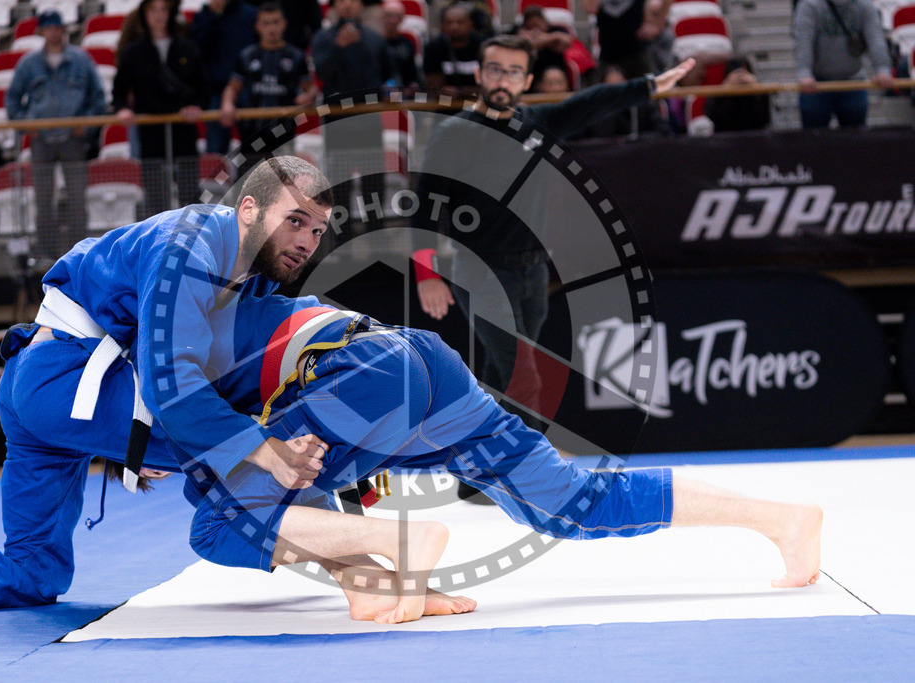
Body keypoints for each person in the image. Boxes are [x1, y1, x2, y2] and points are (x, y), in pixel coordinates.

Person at [169, 293, 825, 623]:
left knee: (219, 517)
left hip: (370, 376)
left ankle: (395, 550)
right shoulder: (220, 318)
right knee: (572, 504)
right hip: (422, 363)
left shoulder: (171, 363)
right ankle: (781, 519)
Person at [0, 156, 336, 613]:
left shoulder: (250, 274)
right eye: (294, 221)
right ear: (249, 209)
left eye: (318, 231)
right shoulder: (192, 243)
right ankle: (372, 566)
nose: (306, 242)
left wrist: (136, 440)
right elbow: (174, 382)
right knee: (269, 455)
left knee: (30, 573)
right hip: (66, 378)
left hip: (40, 388)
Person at [412, 35, 690, 501]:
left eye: (514, 72)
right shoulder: (453, 134)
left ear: (527, 79)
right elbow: (423, 210)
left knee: (504, 375)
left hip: (532, 271)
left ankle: (472, 476)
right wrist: (427, 275)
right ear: (480, 74)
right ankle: (531, 477)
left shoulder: (536, 122)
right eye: (495, 70)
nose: (504, 80)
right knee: (526, 375)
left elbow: (591, 102)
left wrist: (645, 86)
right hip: (478, 271)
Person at [6, 10, 107, 256]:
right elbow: (12, 100)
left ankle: (81, 256)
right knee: (43, 203)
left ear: (63, 29)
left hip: (73, 139)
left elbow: (99, 99)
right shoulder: (28, 63)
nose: (54, 32)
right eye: (49, 28)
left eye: (57, 27)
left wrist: (87, 125)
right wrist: (26, 126)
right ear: (41, 31)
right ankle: (46, 257)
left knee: (77, 201)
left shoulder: (81, 60)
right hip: (41, 140)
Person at [113, 0, 210, 217]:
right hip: (151, 128)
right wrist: (123, 109)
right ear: (144, 14)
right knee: (156, 192)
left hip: (182, 127)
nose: (158, 15)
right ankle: (159, 244)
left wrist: (196, 105)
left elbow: (203, 86)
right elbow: (119, 91)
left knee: (188, 190)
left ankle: (190, 242)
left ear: (170, 13)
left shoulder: (188, 47)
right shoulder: (134, 52)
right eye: (152, 10)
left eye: (163, 9)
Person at [311, 0, 398, 234]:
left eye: (353, 0)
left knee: (373, 181)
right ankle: (342, 238)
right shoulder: (324, 38)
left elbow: (389, 75)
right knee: (340, 182)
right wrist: (338, 47)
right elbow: (321, 74)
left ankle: (376, 234)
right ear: (334, 6)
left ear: (362, 5)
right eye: (342, 0)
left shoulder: (374, 38)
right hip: (337, 120)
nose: (347, 4)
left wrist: (391, 88)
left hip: (369, 119)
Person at [219, 2, 317, 149]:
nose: (272, 28)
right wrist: (227, 103)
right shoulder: (247, 55)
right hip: (251, 134)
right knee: (250, 172)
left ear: (284, 24)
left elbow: (311, 88)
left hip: (284, 133)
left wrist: (308, 96)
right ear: (258, 26)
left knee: (284, 172)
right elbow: (233, 87)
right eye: (266, 23)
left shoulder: (296, 56)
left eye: (276, 22)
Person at [793, 0, 893, 128]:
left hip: (853, 80)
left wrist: (882, 69)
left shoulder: (864, 5)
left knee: (855, 138)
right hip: (816, 83)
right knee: (813, 138)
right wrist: (804, 73)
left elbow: (875, 38)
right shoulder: (810, 5)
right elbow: (803, 42)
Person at [190, 0, 259, 154]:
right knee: (215, 151)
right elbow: (196, 52)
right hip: (215, 91)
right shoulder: (203, 17)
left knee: (256, 149)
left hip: (249, 90)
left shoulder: (250, 14)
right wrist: (214, 16)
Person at [582, 0, 671, 80]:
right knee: (613, 84)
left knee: (649, 90)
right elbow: (590, 8)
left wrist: (657, 24)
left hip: (638, 49)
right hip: (609, 53)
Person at [424, 3, 484, 98]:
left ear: (471, 24)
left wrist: (459, 91)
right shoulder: (433, 47)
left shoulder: (484, 46)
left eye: (460, 22)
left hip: (479, 105)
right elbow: (437, 90)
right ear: (442, 26)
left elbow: (489, 88)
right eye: (449, 23)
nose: (454, 27)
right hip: (446, 106)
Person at [704, 57, 771, 133]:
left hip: (755, 134)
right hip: (725, 135)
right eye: (736, 73)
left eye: (744, 73)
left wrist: (756, 88)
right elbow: (713, 116)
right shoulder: (719, 92)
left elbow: (765, 118)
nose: (740, 76)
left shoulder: (758, 90)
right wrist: (726, 87)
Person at [380, 0, 423, 97]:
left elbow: (413, 73)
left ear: (403, 18)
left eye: (397, 16)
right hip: (379, 97)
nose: (393, 20)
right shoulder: (374, 43)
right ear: (381, 17)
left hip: (404, 96)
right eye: (389, 15)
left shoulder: (407, 43)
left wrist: (413, 86)